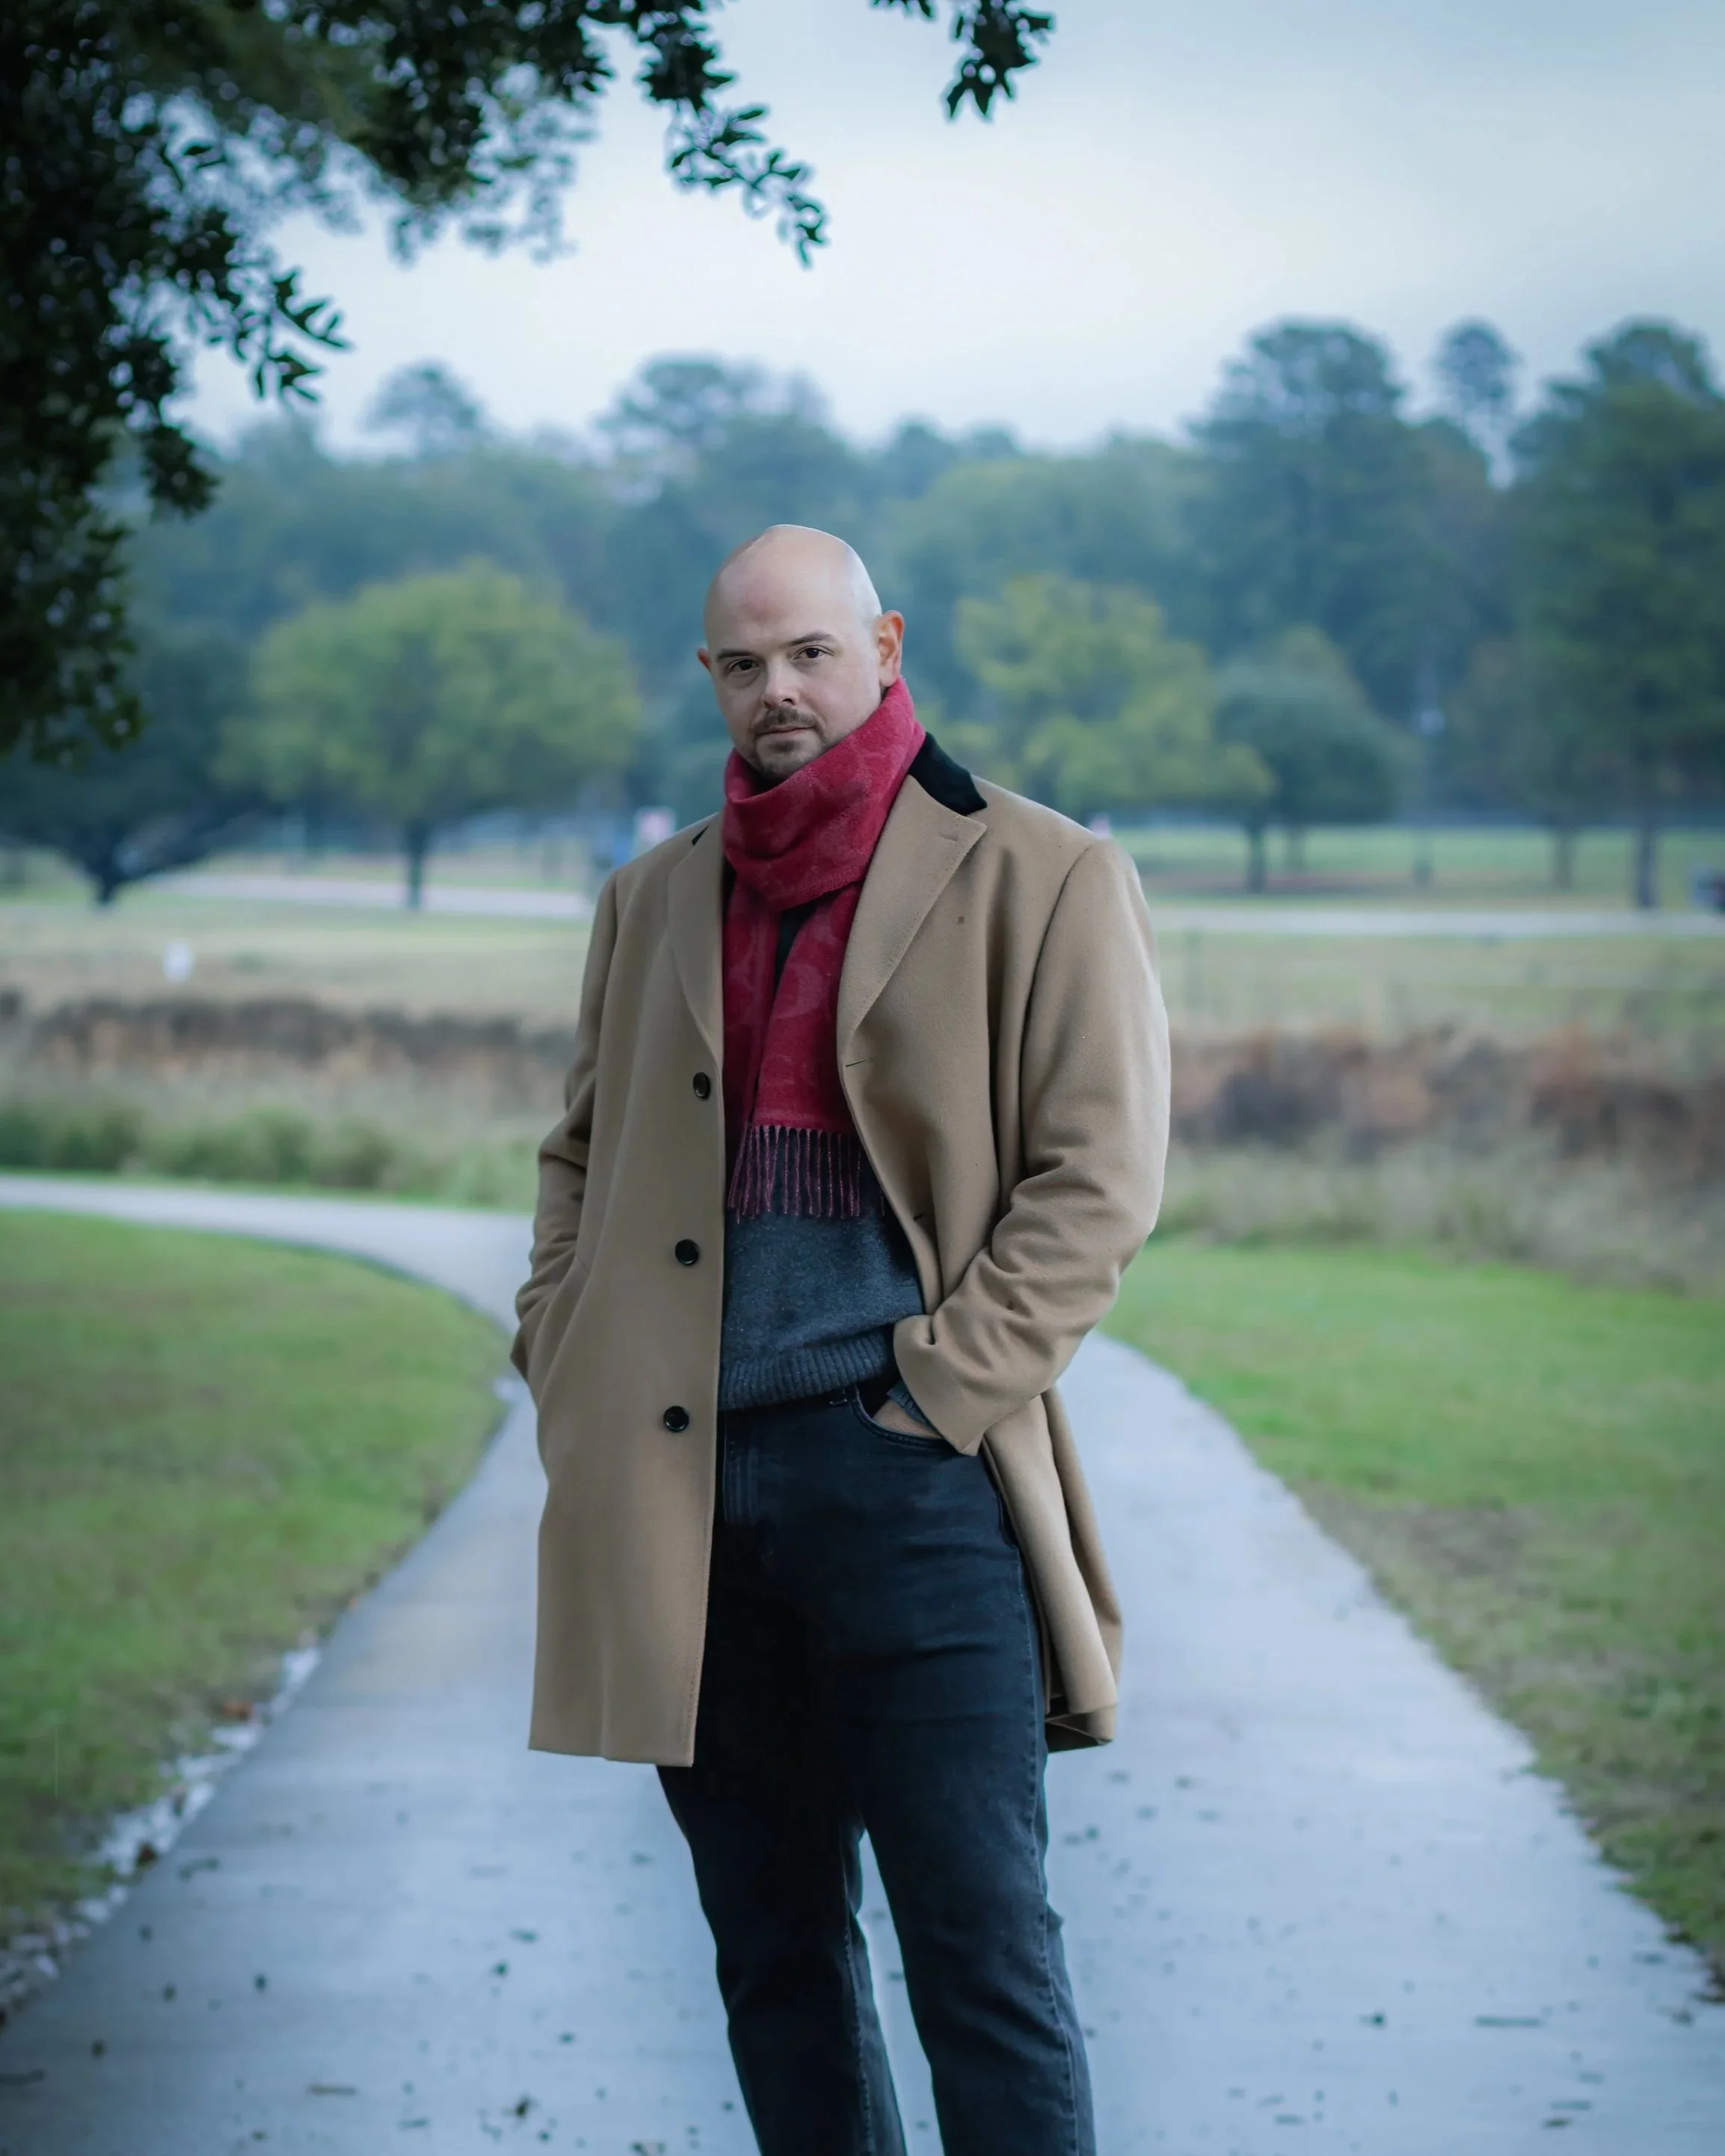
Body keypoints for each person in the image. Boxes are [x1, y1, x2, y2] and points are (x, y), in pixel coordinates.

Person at [514, 524, 1169, 2155]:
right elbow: (579, 1156)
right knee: (773, 1954)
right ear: (709, 678)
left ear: (884, 644)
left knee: (982, 1950)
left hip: (913, 1478)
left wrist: (938, 1387)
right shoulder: (653, 896)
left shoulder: (1042, 869)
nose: (775, 692)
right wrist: (565, 1350)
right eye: (741, 664)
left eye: (807, 653)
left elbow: (1098, 1177)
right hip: (686, 1491)